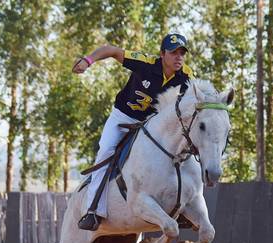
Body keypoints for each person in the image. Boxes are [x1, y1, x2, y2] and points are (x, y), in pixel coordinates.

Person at [72, 33, 194, 231]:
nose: (178, 57)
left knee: (178, 151)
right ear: (162, 54)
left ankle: (179, 208)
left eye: (182, 53)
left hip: (151, 123)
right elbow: (111, 50)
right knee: (106, 151)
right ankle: (93, 210)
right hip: (123, 117)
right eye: (173, 52)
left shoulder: (186, 76)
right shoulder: (145, 63)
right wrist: (88, 60)